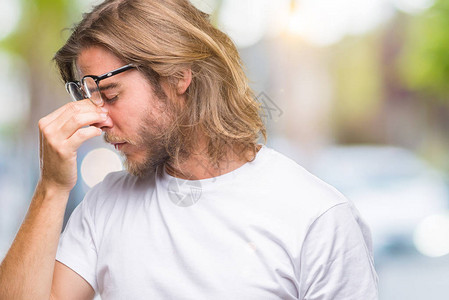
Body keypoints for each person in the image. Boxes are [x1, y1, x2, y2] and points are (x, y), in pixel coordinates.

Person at [0, 0, 378, 299]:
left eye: (110, 94)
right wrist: (51, 187)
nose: (97, 117)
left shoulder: (319, 217)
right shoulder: (104, 205)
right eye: (90, 97)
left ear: (178, 75)